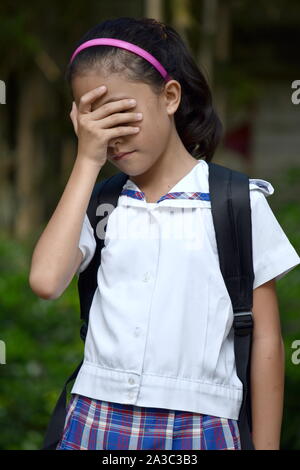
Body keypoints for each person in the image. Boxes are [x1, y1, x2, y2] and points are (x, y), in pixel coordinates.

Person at [29, 17, 300, 451]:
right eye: (94, 121)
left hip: (202, 428)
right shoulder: (102, 202)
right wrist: (86, 160)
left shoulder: (236, 203)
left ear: (170, 96)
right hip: (94, 418)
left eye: (120, 114)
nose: (110, 136)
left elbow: (267, 340)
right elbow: (45, 281)